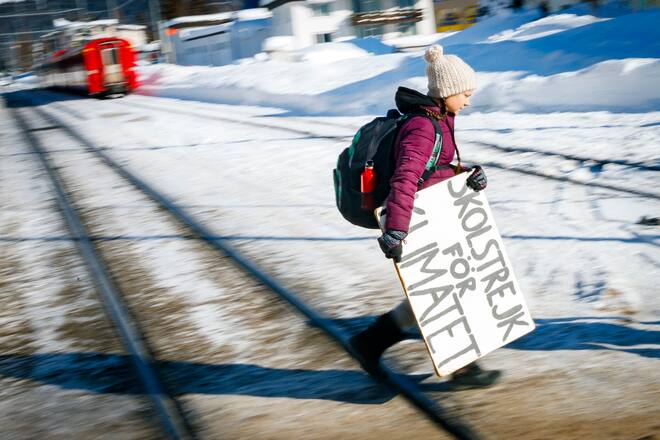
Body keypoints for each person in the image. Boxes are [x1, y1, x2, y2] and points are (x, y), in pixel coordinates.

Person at [349, 45, 501, 389]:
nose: (469, 101)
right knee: (450, 291)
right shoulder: (423, 127)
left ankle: (369, 343)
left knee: (434, 292)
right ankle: (464, 368)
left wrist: (468, 175)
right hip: (419, 221)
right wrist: (397, 231)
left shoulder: (438, 122)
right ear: (447, 92)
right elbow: (405, 178)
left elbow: (437, 170)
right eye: (465, 94)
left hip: (436, 215)